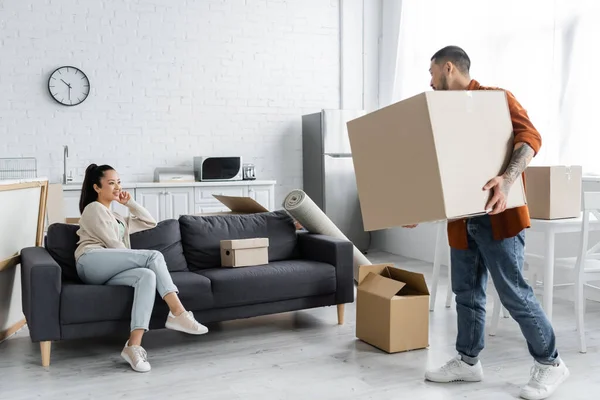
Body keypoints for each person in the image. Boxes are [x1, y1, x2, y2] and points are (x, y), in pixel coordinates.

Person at [404, 46, 569, 400]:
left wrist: (507, 180)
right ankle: (468, 362)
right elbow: (440, 169)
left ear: (448, 68)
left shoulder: (496, 99)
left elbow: (531, 138)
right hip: (461, 221)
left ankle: (550, 363)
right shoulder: (441, 115)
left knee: (513, 293)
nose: (429, 82)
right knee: (466, 293)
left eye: (431, 73)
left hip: (498, 215)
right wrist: (416, 206)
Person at [75, 163, 209, 373]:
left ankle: (133, 346)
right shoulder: (93, 209)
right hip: (91, 261)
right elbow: (114, 245)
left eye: (119, 182)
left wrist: (130, 203)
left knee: (147, 276)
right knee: (152, 257)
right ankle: (177, 312)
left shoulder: (118, 218)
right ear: (97, 188)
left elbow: (150, 222)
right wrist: (139, 257)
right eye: (111, 183)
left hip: (111, 267)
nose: (117, 187)